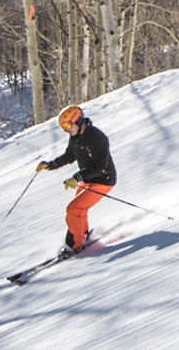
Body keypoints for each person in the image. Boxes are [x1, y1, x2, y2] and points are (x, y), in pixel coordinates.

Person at [38, 105, 116, 258]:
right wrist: (51, 165)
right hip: (88, 179)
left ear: (78, 120)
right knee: (79, 209)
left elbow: (100, 167)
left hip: (103, 179)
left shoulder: (98, 137)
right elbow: (69, 156)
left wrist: (77, 177)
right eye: (63, 127)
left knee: (74, 209)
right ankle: (82, 235)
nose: (66, 130)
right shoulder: (75, 137)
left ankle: (75, 245)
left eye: (67, 125)